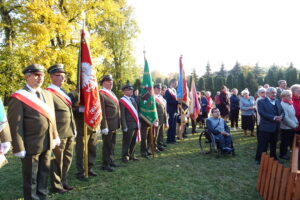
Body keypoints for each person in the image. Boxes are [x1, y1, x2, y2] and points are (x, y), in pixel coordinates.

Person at [8, 64, 60, 200]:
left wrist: (55, 136)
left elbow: (52, 118)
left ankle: (43, 196)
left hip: (47, 142)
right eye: (36, 75)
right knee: (30, 178)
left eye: (42, 75)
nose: (40, 78)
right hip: (30, 145)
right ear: (27, 77)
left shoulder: (48, 95)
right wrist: (19, 147)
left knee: (44, 173)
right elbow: (15, 125)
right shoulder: (18, 97)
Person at [46, 64, 76, 193]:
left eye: (63, 75)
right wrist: (53, 134)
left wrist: (74, 127)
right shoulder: (48, 93)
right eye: (58, 75)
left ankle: (64, 181)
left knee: (67, 158)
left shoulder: (63, 92)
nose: (62, 78)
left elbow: (69, 110)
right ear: (52, 77)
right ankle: (56, 185)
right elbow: (49, 114)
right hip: (58, 132)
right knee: (58, 160)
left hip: (69, 130)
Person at [71, 93, 98, 180]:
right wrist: (79, 109)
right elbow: (70, 109)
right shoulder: (73, 94)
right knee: (80, 150)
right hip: (81, 127)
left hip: (92, 126)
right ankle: (80, 171)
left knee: (92, 149)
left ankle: (90, 168)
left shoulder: (92, 93)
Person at [255, 87, 284, 164]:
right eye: (272, 92)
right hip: (266, 127)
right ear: (267, 93)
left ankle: (273, 157)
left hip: (276, 127)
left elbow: (282, 111)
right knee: (263, 144)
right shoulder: (261, 101)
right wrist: (274, 118)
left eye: (275, 92)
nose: (274, 94)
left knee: (274, 144)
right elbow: (262, 112)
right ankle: (260, 159)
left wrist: (281, 116)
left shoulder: (278, 101)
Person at [99, 75, 120, 172]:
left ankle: (110, 160)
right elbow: (102, 111)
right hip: (108, 124)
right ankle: (105, 164)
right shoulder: (101, 94)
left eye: (111, 81)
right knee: (107, 144)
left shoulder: (111, 93)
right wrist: (104, 126)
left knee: (112, 143)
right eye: (108, 81)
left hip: (114, 123)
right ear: (103, 83)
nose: (111, 83)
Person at [119, 84, 139, 162]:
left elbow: (136, 111)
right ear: (125, 91)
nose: (131, 91)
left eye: (131, 90)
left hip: (135, 123)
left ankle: (132, 154)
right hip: (128, 124)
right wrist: (124, 126)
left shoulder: (132, 99)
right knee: (127, 141)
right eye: (129, 90)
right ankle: (125, 156)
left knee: (133, 140)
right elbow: (122, 115)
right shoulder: (122, 100)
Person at [279, 90, 298, 160]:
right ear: (283, 97)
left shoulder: (289, 103)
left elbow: (293, 115)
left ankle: (291, 152)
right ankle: (282, 154)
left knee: (291, 140)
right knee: (285, 141)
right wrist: (294, 125)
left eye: (290, 95)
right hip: (285, 127)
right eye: (288, 95)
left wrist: (296, 122)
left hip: (292, 126)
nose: (290, 97)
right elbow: (285, 118)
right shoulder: (282, 104)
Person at [154, 84, 168, 151]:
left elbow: (164, 108)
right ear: (154, 89)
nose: (160, 90)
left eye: (160, 88)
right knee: (155, 134)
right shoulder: (152, 97)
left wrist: (165, 119)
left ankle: (160, 145)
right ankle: (154, 146)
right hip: (157, 118)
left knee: (161, 133)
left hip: (162, 118)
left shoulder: (161, 97)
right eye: (158, 88)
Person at [165, 79, 178, 144]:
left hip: (175, 110)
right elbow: (168, 101)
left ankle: (173, 138)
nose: (176, 85)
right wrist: (177, 102)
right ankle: (169, 139)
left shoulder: (174, 90)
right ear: (172, 83)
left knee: (174, 125)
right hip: (170, 110)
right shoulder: (168, 91)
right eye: (175, 83)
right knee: (171, 125)